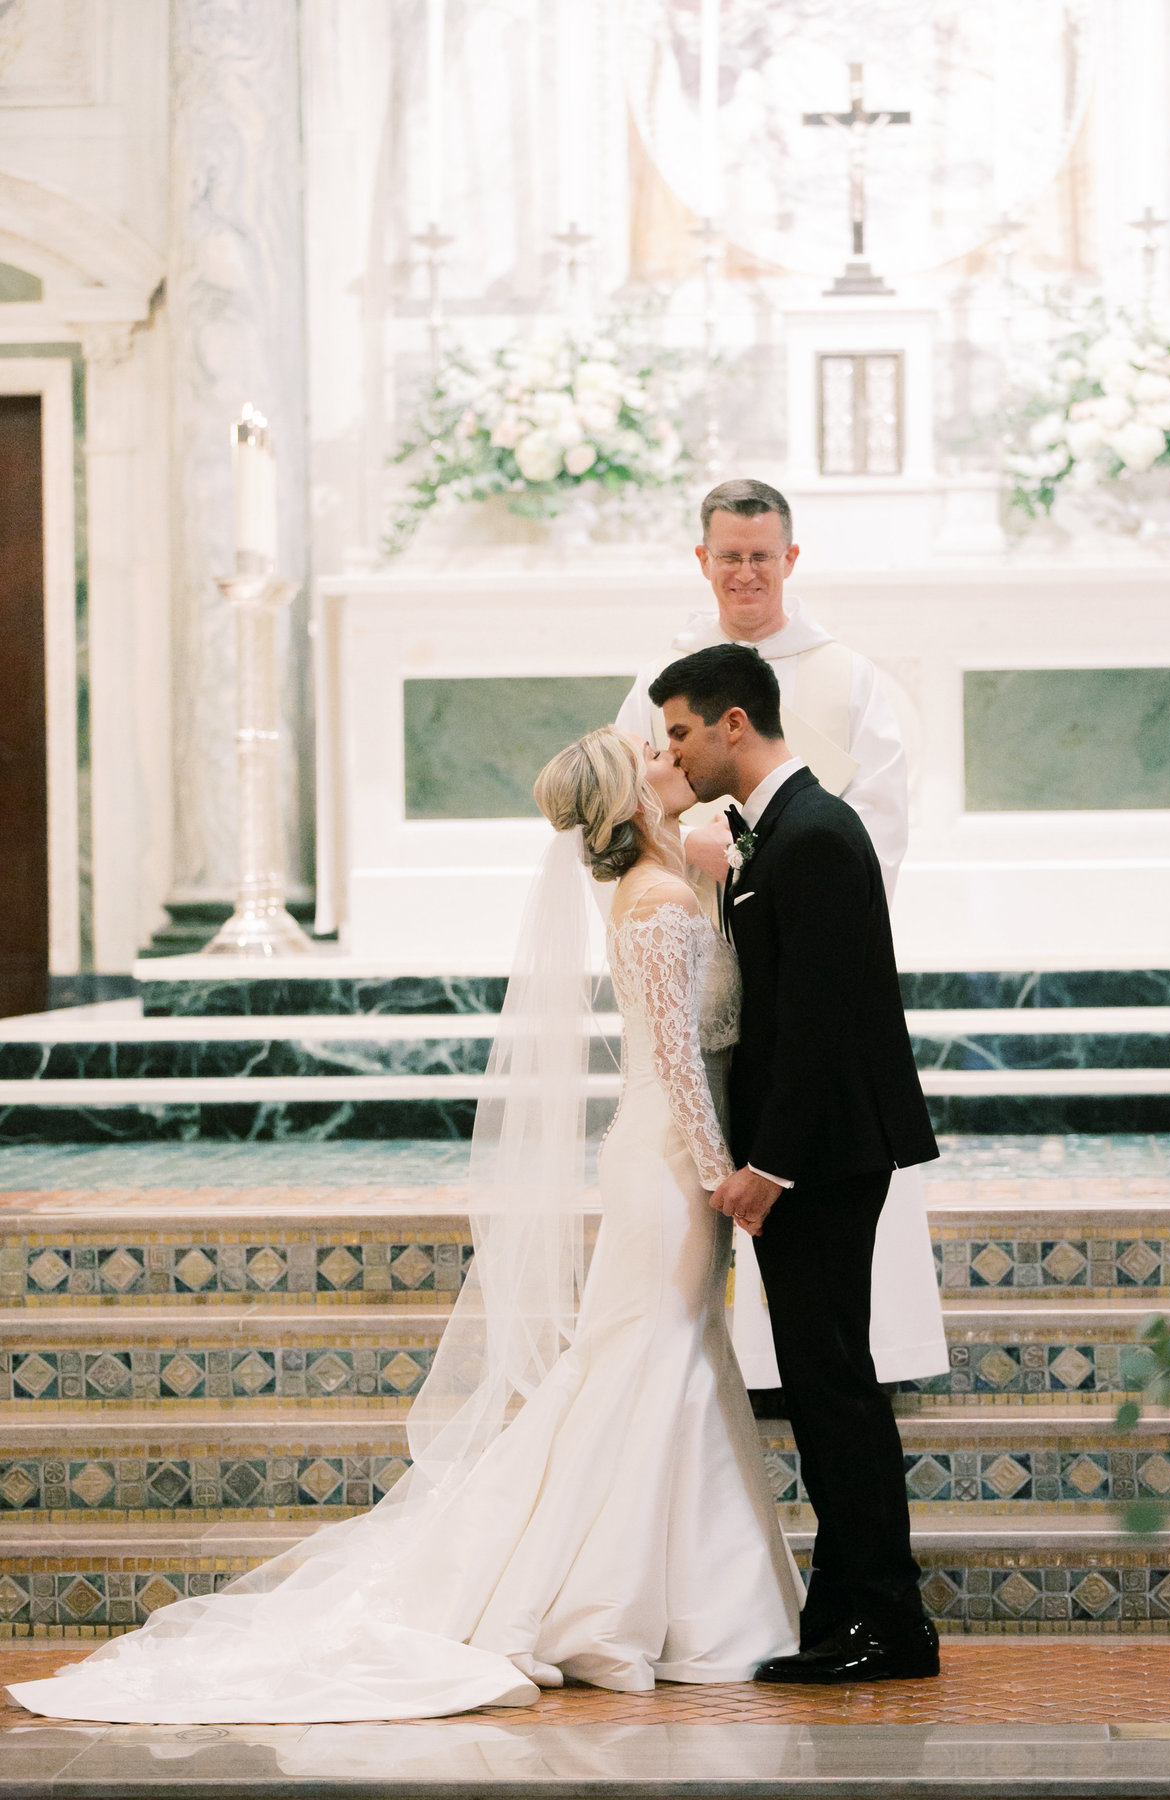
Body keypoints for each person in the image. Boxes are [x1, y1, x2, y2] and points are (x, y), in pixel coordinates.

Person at [9, 728, 798, 1725]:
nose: (668, 754)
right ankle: (602, 1600)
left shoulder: (673, 878)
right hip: (671, 1163)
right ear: (630, 799)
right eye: (652, 752)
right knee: (652, 1359)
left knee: (667, 1358)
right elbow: (682, 1059)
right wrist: (724, 1173)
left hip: (675, 1158)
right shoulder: (653, 902)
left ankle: (670, 1594)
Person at [649, 642, 940, 1684]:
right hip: (818, 1155)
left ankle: (887, 1623)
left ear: (735, 724)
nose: (671, 750)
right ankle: (845, 1607)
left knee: (837, 1389)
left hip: (820, 1158)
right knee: (825, 1386)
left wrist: (767, 1168)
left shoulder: (813, 833)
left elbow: (818, 1024)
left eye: (680, 729)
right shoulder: (779, 833)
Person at [618, 476, 947, 1394]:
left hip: (808, 967)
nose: (748, 572)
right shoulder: (663, 679)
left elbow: (876, 820)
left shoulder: (848, 675)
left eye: (764, 555)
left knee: (819, 1195)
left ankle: (854, 1364)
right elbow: (621, 810)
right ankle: (747, 1375)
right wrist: (686, 855)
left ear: (790, 559)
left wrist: (771, 884)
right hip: (710, 961)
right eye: (731, 556)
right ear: (704, 560)